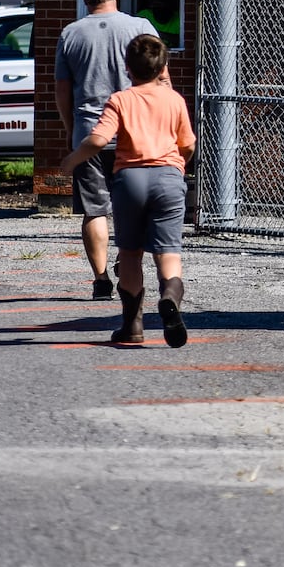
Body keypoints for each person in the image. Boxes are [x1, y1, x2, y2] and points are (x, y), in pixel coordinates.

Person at [60, 34, 195, 347]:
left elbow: (98, 139)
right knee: (168, 251)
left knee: (131, 253)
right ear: (163, 66)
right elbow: (187, 144)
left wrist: (72, 159)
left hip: (130, 179)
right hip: (168, 179)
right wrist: (177, 166)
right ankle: (170, 298)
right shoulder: (174, 100)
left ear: (127, 68)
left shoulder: (120, 100)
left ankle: (132, 326)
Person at [55, 0, 158, 300]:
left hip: (89, 133)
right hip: (135, 132)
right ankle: (126, 262)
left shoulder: (71, 34)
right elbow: (161, 79)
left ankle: (101, 280)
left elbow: (62, 91)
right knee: (138, 207)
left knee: (94, 209)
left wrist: (74, 133)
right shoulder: (140, 27)